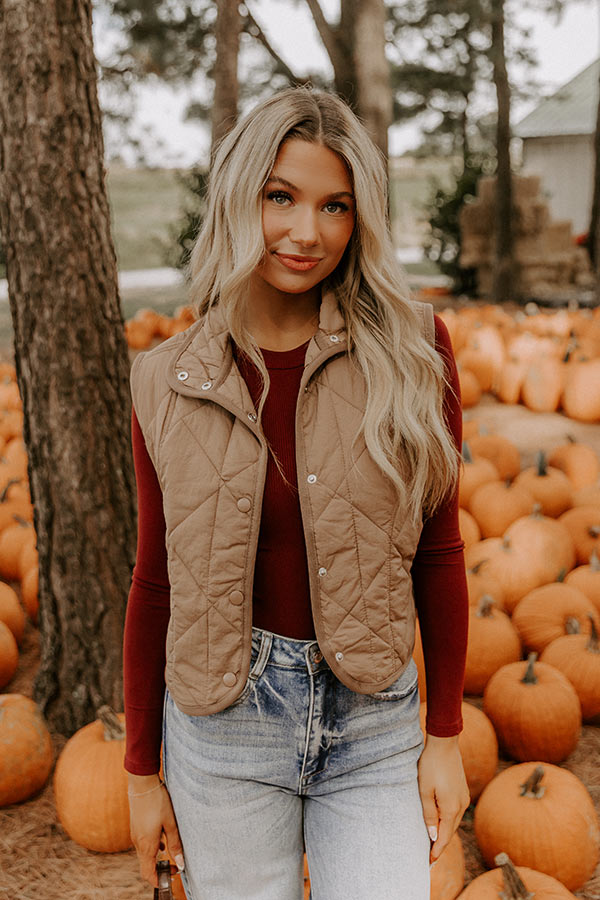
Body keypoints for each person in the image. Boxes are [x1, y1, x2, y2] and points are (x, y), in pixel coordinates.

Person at [123, 86, 469, 900]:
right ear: (242, 196)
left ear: (361, 220)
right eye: (281, 196)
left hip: (374, 724)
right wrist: (142, 772)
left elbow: (440, 549)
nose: (306, 232)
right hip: (223, 730)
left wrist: (446, 734)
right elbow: (155, 580)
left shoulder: (415, 349)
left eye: (335, 206)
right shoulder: (162, 380)